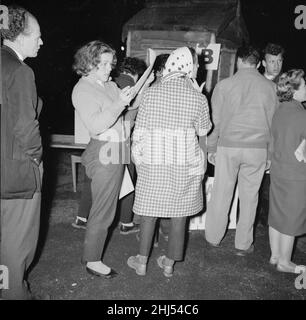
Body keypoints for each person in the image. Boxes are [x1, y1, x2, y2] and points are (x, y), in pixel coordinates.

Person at [127, 47, 211, 277]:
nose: (197, 68)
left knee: (149, 211)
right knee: (179, 214)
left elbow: (139, 131)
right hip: (185, 163)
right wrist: (198, 94)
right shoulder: (197, 97)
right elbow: (204, 130)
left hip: (154, 161)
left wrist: (139, 159)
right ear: (186, 66)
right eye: (195, 64)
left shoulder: (152, 93)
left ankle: (142, 261)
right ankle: (169, 265)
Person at [204, 45, 278, 256]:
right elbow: (275, 125)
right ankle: (243, 244)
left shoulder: (224, 85)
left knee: (221, 194)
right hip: (257, 149)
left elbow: (215, 121)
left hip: (228, 147)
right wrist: (270, 154)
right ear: (258, 63)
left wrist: (211, 147)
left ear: (238, 61)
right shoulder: (270, 88)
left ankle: (213, 237)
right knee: (250, 197)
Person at [71, 40, 134, 277]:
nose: (111, 68)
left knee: (108, 205)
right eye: (105, 63)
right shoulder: (83, 89)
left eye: (111, 63)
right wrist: (120, 102)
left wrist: (139, 90)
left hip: (118, 148)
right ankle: (92, 260)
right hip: (104, 150)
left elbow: (127, 107)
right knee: (103, 209)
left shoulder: (108, 85)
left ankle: (92, 255)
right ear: (90, 63)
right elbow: (96, 124)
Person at [71, 57, 148, 235]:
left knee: (92, 181)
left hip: (96, 142)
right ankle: (126, 222)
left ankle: (82, 218)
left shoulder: (110, 82)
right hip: (117, 141)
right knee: (127, 178)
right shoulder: (127, 84)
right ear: (136, 74)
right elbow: (129, 115)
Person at [0, 6, 45, 300]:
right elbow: (25, 127)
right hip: (15, 172)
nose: (41, 42)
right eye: (38, 36)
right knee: (16, 242)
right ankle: (15, 294)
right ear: (19, 36)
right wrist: (37, 157)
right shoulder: (20, 70)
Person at [268, 69, 306, 274]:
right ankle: (285, 262)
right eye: (305, 85)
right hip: (296, 176)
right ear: (295, 90)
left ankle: (275, 255)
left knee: (277, 213)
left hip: (278, 170)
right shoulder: (302, 115)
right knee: (291, 217)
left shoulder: (280, 110)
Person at [257, 43, 285, 226]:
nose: (276, 65)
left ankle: (269, 221)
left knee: (271, 186)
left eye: (279, 60)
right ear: (263, 63)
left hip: (278, 142)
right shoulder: (256, 82)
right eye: (272, 61)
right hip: (257, 140)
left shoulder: (287, 85)